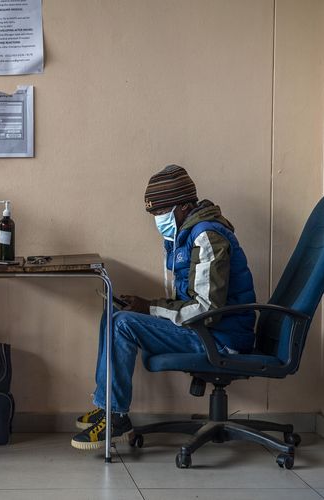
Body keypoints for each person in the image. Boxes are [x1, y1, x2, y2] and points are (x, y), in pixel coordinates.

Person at [71, 164, 256, 450]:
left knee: (123, 323)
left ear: (184, 206)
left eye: (161, 212)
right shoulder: (185, 236)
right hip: (207, 330)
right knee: (115, 315)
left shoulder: (206, 237)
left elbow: (206, 310)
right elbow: (191, 301)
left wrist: (149, 308)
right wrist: (148, 306)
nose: (157, 220)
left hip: (220, 339)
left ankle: (117, 417)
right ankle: (107, 405)